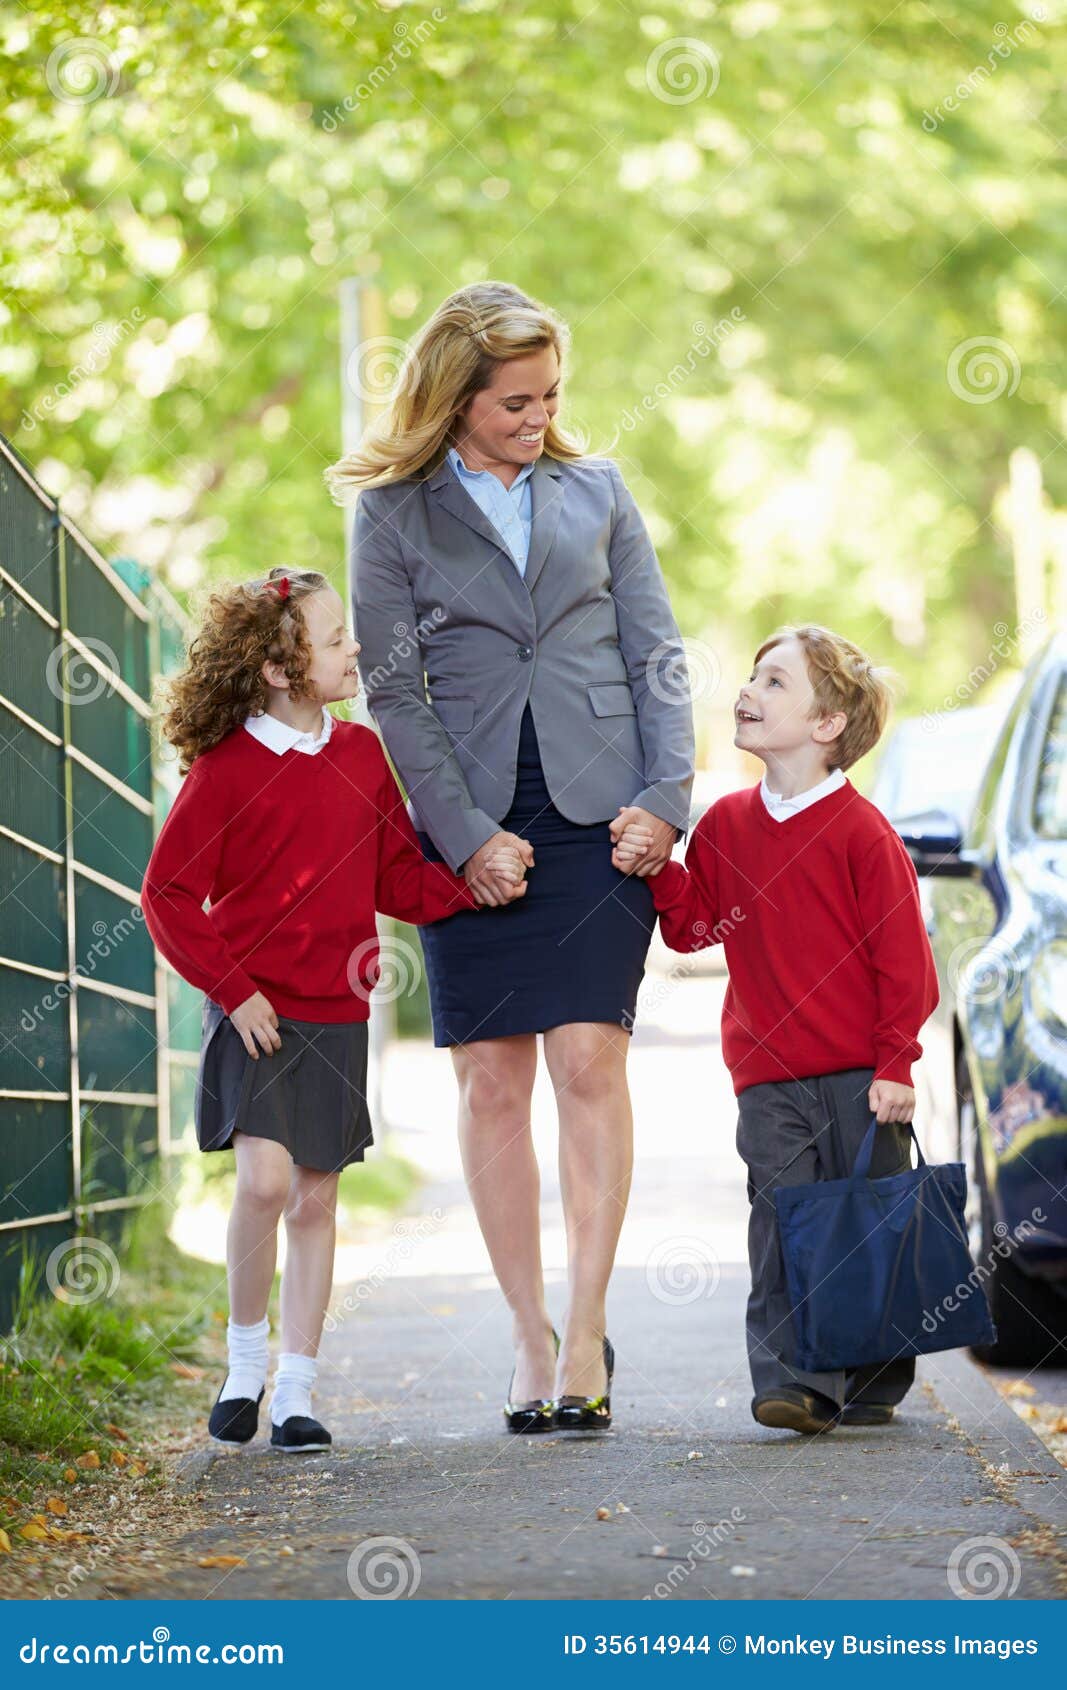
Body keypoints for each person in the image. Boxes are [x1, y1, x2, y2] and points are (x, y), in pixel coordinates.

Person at [328, 280, 695, 1432]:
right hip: (471, 815)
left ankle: (586, 1327)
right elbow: (394, 690)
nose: (537, 418)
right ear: (453, 396)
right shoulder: (392, 514)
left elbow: (656, 651)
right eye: (513, 402)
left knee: (589, 1057)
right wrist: (463, 835)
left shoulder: (596, 489)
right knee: (491, 1083)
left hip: (601, 816)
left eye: (547, 398)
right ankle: (528, 1334)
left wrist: (665, 798)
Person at [141, 568, 522, 1452]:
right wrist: (233, 992)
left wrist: (471, 882)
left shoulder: (360, 756)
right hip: (257, 1013)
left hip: (337, 1014)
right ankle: (244, 1367)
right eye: (337, 636)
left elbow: (393, 877)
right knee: (265, 1184)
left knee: (314, 1201)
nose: (357, 648)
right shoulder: (226, 769)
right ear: (281, 666)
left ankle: (299, 1393)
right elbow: (167, 893)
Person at [617, 623, 939, 1435]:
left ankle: (871, 1376)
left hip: (863, 1079)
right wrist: (662, 872)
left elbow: (905, 963)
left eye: (772, 682)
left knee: (864, 1226)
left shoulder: (864, 835)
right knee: (782, 1217)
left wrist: (895, 1062)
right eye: (752, 679)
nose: (747, 693)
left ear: (826, 725)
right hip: (766, 1074)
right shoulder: (724, 825)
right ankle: (794, 1380)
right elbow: (694, 932)